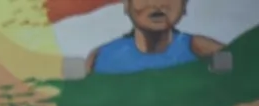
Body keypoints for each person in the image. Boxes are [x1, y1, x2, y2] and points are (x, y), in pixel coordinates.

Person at [87, 0, 225, 76]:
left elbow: (236, 82)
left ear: (185, 5)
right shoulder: (100, 57)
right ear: (127, 5)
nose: (157, 4)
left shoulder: (204, 50)